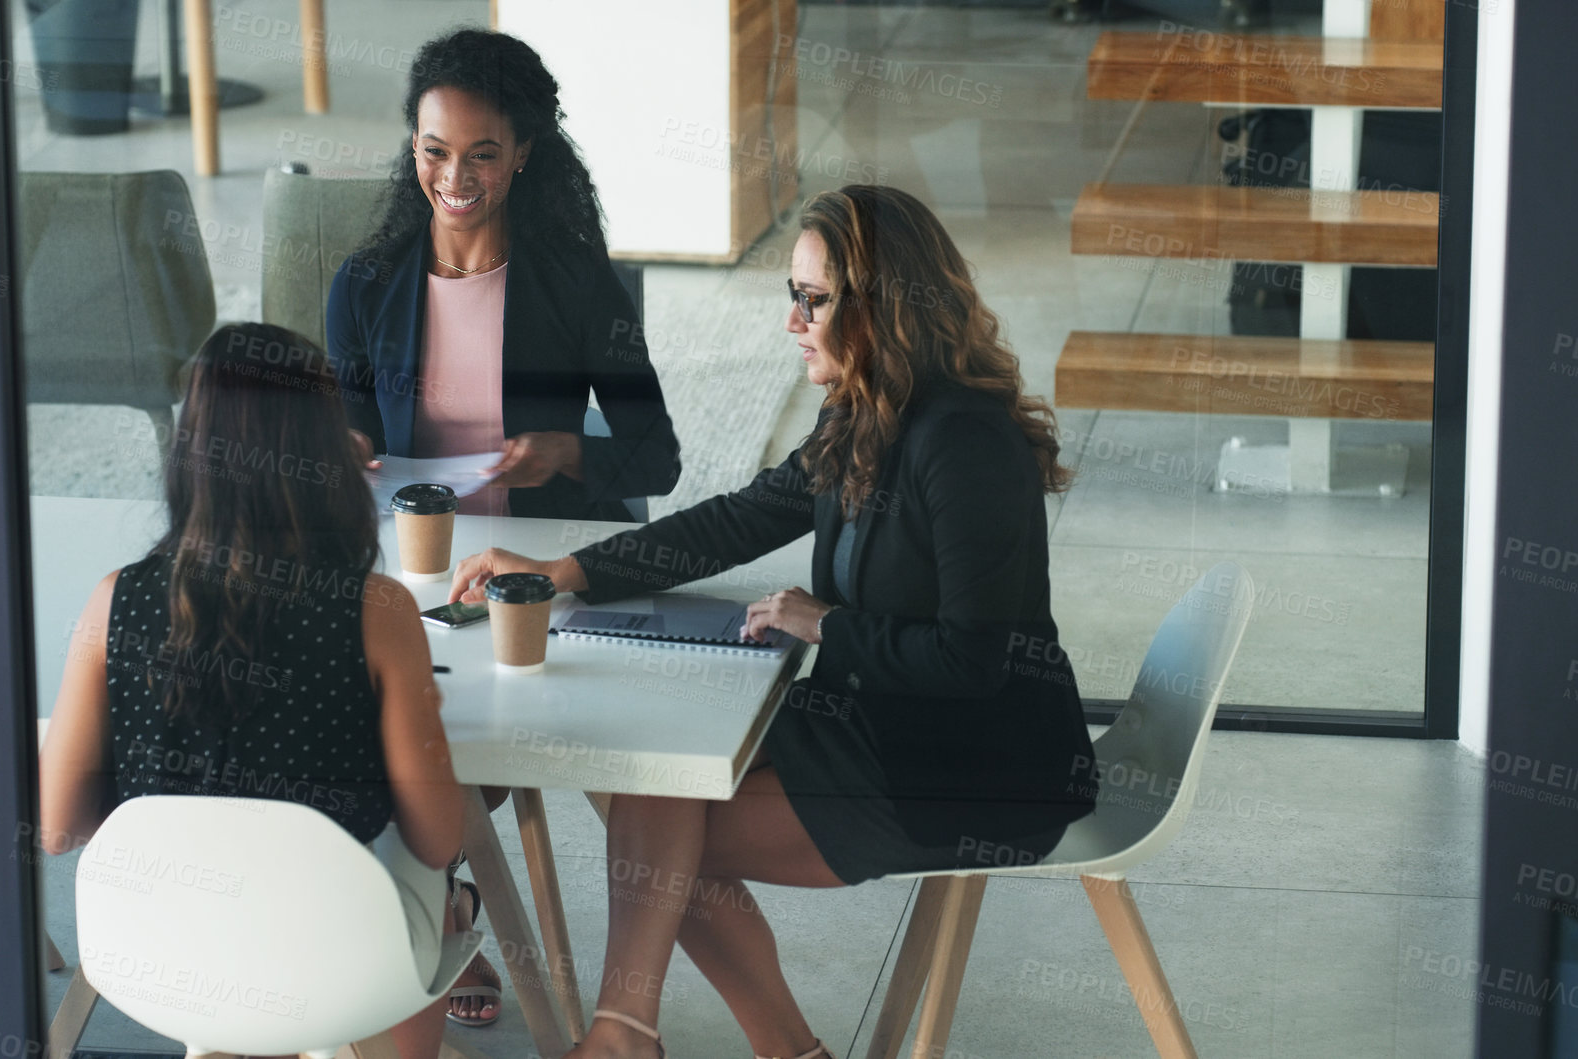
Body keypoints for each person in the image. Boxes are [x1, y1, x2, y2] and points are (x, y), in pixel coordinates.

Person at [447, 186, 1100, 1059]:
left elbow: (977, 660)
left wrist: (827, 624)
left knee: (661, 836)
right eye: (791, 295)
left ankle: (652, 1041)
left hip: (971, 765)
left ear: (883, 307)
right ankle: (660, 1038)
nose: (792, 321)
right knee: (650, 773)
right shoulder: (863, 408)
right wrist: (562, 573)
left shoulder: (963, 444)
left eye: (814, 299)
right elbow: (740, 518)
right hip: (882, 720)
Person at [38, 323, 470, 1058]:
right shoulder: (376, 611)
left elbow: (56, 826)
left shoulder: (117, 601)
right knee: (444, 897)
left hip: (166, 956)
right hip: (336, 959)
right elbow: (437, 838)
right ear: (326, 453)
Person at [327, 28, 680, 522]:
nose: (455, 178)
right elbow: (357, 429)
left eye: (483, 155)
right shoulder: (363, 284)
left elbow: (658, 462)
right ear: (413, 145)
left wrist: (566, 454)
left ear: (522, 153)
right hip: (418, 548)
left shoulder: (579, 284)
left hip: (541, 551)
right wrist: (346, 442)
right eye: (436, 151)